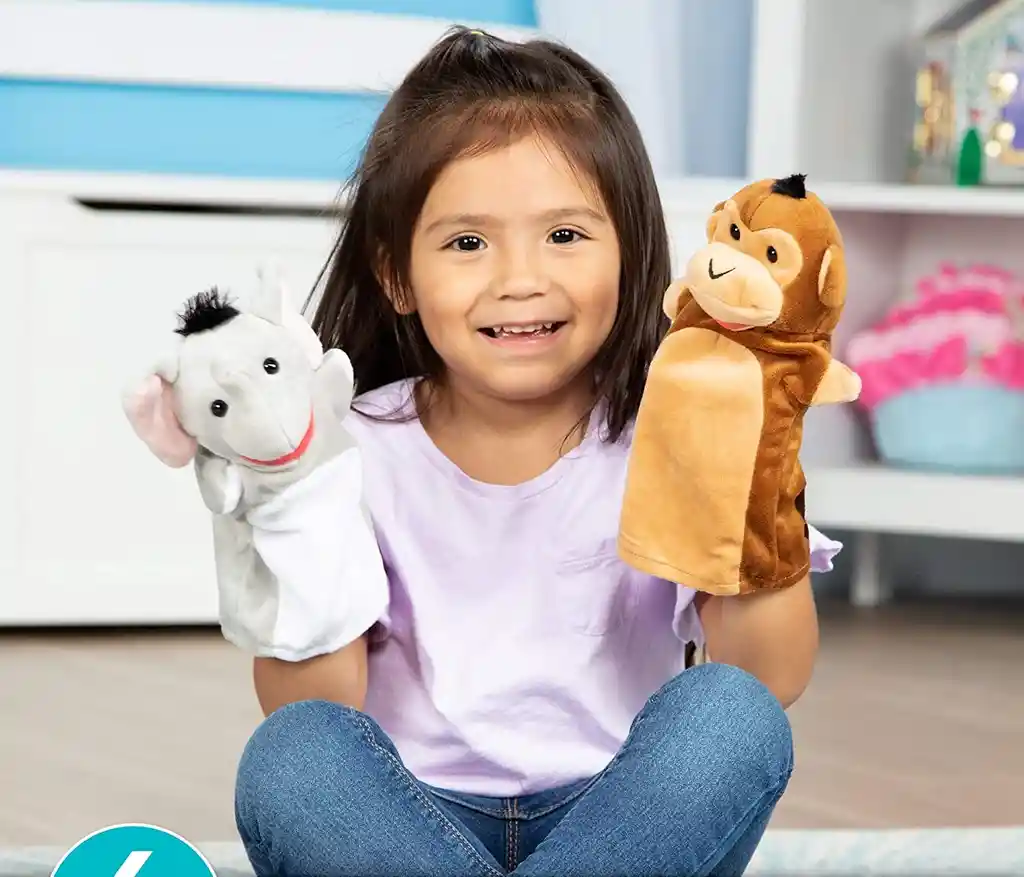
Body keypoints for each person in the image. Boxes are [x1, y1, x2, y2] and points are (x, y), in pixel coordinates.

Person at [233, 25, 841, 877]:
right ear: (397, 274)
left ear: (629, 253)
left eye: (564, 235)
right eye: (468, 243)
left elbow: (768, 672)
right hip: (407, 819)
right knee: (293, 755)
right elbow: (314, 703)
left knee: (732, 715)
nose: (520, 279)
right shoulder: (344, 449)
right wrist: (294, 511)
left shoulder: (674, 428)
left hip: (625, 824)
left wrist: (755, 472)